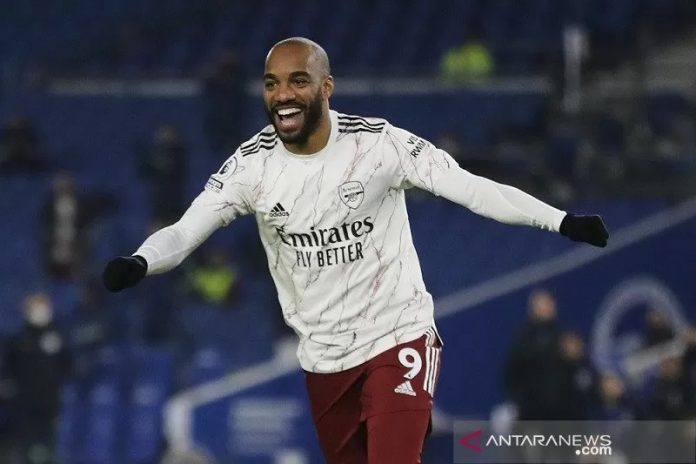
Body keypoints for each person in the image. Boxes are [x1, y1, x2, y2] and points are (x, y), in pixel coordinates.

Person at [102, 37, 609, 463]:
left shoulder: (379, 145)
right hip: (324, 358)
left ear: (326, 87)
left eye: (298, 80)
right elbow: (186, 231)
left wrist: (560, 220)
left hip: (398, 335)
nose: (283, 94)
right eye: (272, 83)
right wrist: (141, 262)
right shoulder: (250, 167)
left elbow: (472, 188)